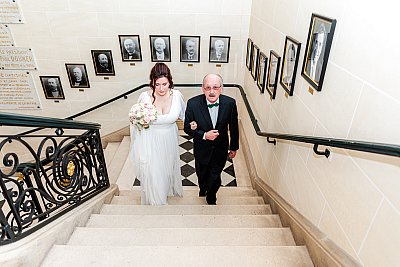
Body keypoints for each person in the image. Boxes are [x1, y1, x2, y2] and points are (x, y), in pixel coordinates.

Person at [130, 63, 185, 205]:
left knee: (166, 171)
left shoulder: (177, 96)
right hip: (150, 140)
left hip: (169, 139)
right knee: (153, 173)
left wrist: (196, 126)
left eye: (164, 84)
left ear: (170, 82)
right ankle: (157, 202)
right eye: (157, 84)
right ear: (152, 83)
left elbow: (186, 116)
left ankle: (164, 193)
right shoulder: (145, 97)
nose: (161, 88)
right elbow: (136, 122)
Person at [184, 74, 239, 205]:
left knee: (215, 175)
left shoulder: (230, 103)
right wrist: (204, 135)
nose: (212, 92)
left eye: (215, 87)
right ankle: (203, 188)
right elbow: (187, 128)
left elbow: (234, 126)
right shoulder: (193, 104)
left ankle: (212, 195)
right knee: (201, 173)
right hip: (201, 148)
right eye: (208, 88)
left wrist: (234, 147)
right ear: (203, 89)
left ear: (221, 88)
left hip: (221, 148)